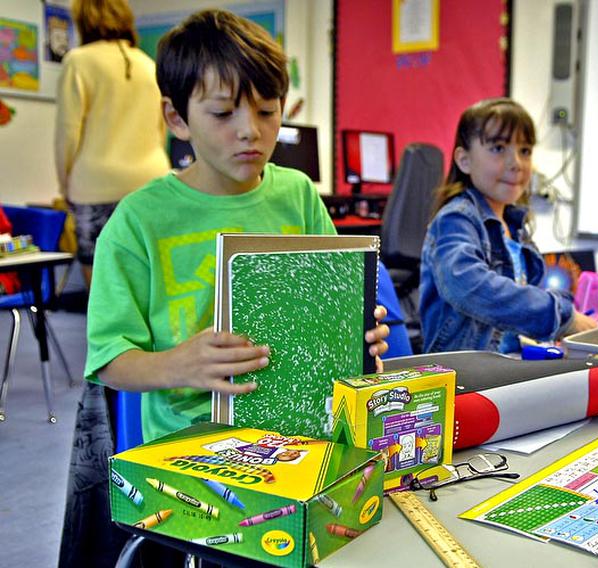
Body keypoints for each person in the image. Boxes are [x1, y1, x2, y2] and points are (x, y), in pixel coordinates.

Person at [60, 10, 389, 566]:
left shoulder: (299, 196)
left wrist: (356, 332)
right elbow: (109, 360)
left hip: (304, 431)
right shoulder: (140, 221)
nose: (250, 131)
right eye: (223, 113)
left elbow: (334, 298)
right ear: (176, 117)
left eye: (267, 111)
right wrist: (179, 365)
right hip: (196, 450)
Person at [419, 97, 597, 353]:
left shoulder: (516, 227)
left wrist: (569, 313)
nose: (516, 163)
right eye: (498, 148)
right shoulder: (455, 219)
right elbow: (469, 286)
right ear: (464, 160)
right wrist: (559, 316)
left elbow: (523, 303)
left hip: (510, 369)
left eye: (524, 151)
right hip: (463, 378)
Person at [54, 0, 170, 290]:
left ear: (83, 21)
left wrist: (64, 182)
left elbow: (68, 133)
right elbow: (161, 128)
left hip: (94, 184)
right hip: (152, 180)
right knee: (147, 272)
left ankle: (108, 335)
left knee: (100, 281)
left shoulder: (78, 61)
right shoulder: (148, 64)